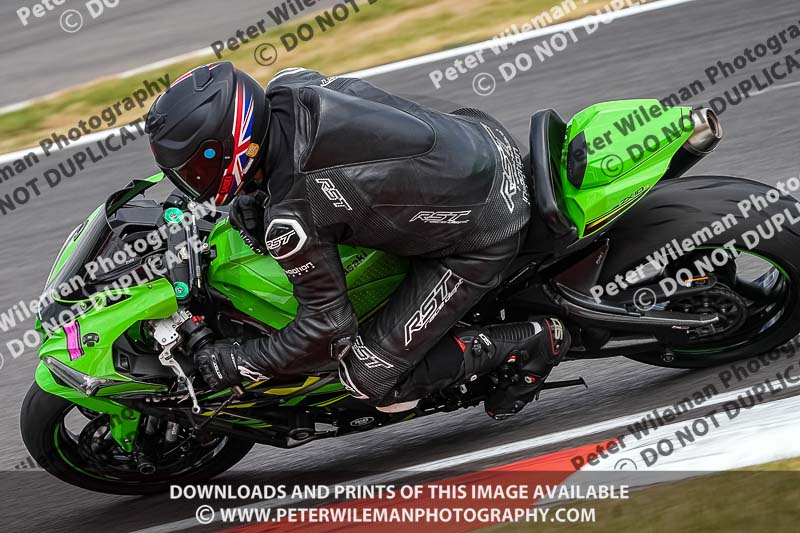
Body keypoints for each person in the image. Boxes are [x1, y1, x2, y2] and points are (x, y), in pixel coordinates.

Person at [144, 62, 570, 419]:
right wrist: (255, 192)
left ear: (235, 143)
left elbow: (328, 332)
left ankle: (532, 340)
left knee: (369, 376)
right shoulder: (290, 84)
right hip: (481, 136)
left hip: (485, 229)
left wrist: (239, 361)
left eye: (198, 168)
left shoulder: (295, 214)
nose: (191, 183)